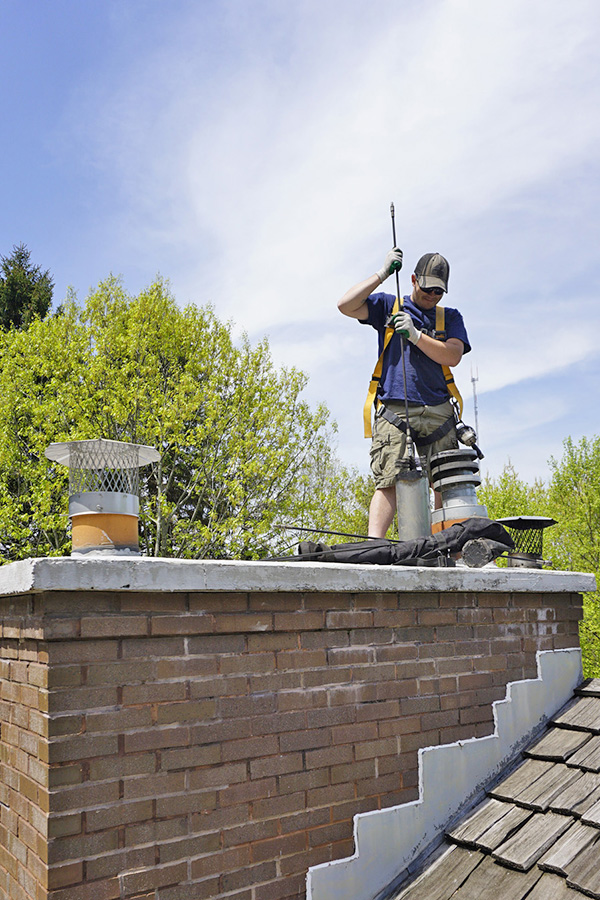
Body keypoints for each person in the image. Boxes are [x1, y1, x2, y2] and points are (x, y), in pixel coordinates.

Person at [338, 249, 471, 538]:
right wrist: (382, 274)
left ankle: (446, 546)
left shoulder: (449, 318)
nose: (432, 295)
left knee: (445, 484)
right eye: (427, 288)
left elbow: (452, 356)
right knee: (390, 481)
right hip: (395, 410)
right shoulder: (389, 305)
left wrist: (416, 335)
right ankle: (373, 546)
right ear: (413, 280)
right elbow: (346, 305)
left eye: (439, 291)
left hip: (439, 412)